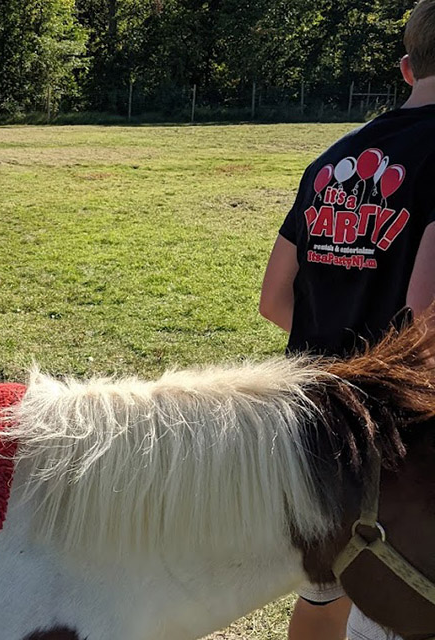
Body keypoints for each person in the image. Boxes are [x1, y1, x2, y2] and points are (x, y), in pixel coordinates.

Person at [259, 1, 435, 637]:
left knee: (327, 585)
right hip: (404, 432)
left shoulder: (333, 159)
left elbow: (274, 300)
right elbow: (424, 321)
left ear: (407, 68)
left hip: (320, 416)